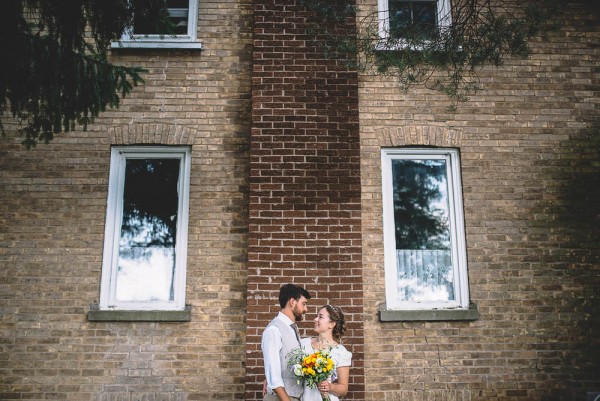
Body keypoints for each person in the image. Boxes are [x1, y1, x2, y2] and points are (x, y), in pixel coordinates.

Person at [262, 283, 312, 401]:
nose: (306, 309)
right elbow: (273, 377)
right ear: (292, 302)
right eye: (303, 304)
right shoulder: (273, 330)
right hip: (280, 398)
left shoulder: (292, 328)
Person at [300, 304, 352, 401]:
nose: (315, 319)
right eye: (316, 316)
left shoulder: (340, 352)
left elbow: (343, 389)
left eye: (320, 317)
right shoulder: (303, 344)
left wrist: (330, 387)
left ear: (332, 324)